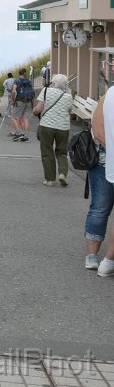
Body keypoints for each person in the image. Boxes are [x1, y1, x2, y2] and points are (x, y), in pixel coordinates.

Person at [34, 74, 75, 186]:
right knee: (61, 151)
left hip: (47, 125)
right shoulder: (68, 96)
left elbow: (38, 108)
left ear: (54, 82)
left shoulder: (46, 91)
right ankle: (62, 173)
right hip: (63, 127)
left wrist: (34, 112)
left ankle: (50, 179)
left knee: (47, 151)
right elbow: (69, 111)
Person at [86, 92, 110, 272]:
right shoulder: (108, 97)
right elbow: (98, 131)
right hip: (104, 161)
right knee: (100, 208)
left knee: (99, 208)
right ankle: (92, 255)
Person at [9, 68, 35, 142]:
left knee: (13, 116)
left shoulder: (16, 81)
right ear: (25, 73)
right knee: (26, 118)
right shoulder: (28, 81)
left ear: (19, 73)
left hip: (20, 101)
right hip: (29, 101)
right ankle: (25, 136)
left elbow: (13, 91)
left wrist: (13, 101)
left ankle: (19, 132)